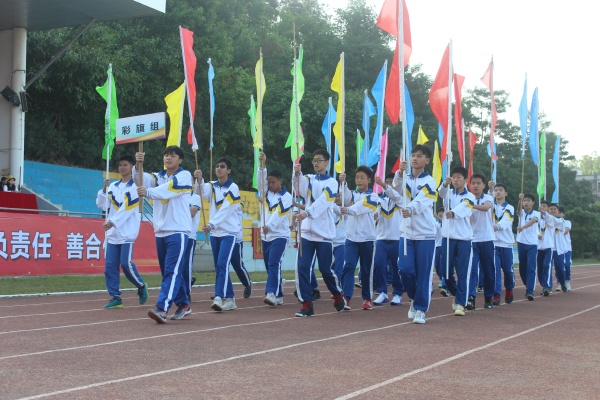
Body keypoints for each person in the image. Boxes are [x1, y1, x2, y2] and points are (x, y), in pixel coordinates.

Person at [135, 146, 193, 323]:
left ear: (180, 160)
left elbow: (170, 188)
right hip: (160, 232)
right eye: (166, 155)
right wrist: (138, 165)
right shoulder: (158, 176)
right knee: (169, 271)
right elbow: (140, 180)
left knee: (171, 271)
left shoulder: (184, 176)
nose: (168, 158)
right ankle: (184, 304)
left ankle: (162, 308)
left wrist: (149, 192)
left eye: (173, 155)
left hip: (178, 231)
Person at [292, 148, 345, 317]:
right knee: (302, 267)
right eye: (314, 160)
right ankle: (306, 304)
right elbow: (299, 189)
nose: (316, 163)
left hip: (324, 234)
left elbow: (323, 201)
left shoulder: (332, 183)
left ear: (327, 163)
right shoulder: (309, 178)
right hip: (307, 232)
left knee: (325, 270)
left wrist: (307, 212)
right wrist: (297, 174)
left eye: (319, 160)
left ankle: (337, 294)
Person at [95, 155, 148, 309]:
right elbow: (103, 206)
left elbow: (127, 209)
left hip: (127, 233)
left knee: (125, 264)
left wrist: (112, 222)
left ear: (132, 167)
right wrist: (103, 190)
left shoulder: (135, 188)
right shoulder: (113, 186)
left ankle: (140, 285)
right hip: (113, 234)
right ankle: (115, 297)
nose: (122, 168)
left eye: (125, 165)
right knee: (110, 266)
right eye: (120, 165)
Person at [395, 144, 438, 324]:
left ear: (427, 160)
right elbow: (396, 190)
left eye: (419, 156)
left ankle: (420, 309)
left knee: (423, 274)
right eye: (413, 155)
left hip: (425, 234)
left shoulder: (430, 181)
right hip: (406, 232)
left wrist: (411, 209)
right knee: (404, 269)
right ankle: (413, 297)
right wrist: (399, 173)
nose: (415, 158)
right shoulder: (404, 177)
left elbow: (423, 200)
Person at [194, 157, 242, 312]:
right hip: (215, 233)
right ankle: (230, 298)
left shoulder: (233, 188)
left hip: (229, 232)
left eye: (222, 166)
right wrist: (199, 180)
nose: (219, 169)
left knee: (222, 264)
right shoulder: (212, 185)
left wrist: (211, 224)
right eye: (217, 166)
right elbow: (200, 191)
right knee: (220, 266)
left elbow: (226, 209)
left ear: (228, 170)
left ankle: (218, 296)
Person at [339, 166, 379, 310]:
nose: (359, 180)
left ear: (369, 180)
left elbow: (360, 208)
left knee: (366, 270)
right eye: (357, 178)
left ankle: (367, 298)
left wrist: (349, 210)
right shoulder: (352, 195)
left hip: (367, 239)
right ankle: (346, 297)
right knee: (348, 266)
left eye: (362, 178)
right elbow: (344, 198)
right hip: (351, 239)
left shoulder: (373, 197)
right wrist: (343, 183)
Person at [438, 166, 475, 317]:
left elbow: (465, 207)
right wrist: (444, 184)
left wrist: (453, 213)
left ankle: (460, 303)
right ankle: (457, 293)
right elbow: (440, 193)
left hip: (464, 239)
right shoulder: (448, 192)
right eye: (453, 177)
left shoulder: (470, 196)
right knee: (445, 271)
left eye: (459, 177)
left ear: (465, 180)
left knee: (462, 272)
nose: (456, 179)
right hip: (447, 238)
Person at [257, 151, 292, 306]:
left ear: (280, 181)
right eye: (269, 182)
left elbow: (279, 214)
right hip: (266, 236)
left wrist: (269, 226)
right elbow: (260, 181)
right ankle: (279, 292)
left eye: (273, 182)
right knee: (269, 265)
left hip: (280, 235)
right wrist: (262, 165)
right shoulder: (267, 193)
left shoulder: (287, 197)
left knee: (273, 263)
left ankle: (271, 293)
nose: (270, 185)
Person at [372, 173, 404, 306]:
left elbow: (396, 196)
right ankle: (382, 292)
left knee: (396, 267)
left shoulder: (400, 199)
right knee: (379, 265)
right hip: (381, 238)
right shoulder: (379, 199)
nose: (389, 184)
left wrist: (385, 185)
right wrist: (375, 215)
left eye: (392, 182)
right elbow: (376, 212)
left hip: (397, 238)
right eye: (387, 182)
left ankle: (397, 293)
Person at [467, 174, 495, 310]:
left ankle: (488, 297)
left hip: (487, 239)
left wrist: (471, 205)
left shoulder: (488, 198)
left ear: (484, 185)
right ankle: (471, 297)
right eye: (473, 183)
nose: (475, 186)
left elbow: (486, 208)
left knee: (488, 270)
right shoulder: (467, 198)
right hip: (472, 239)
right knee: (472, 269)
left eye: (478, 183)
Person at [490, 183, 515, 306]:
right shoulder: (491, 206)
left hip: (506, 244)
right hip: (494, 244)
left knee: (508, 271)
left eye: (500, 190)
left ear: (505, 193)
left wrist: (497, 227)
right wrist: (490, 188)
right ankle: (497, 294)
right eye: (496, 190)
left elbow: (506, 220)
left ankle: (509, 289)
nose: (498, 192)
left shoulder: (509, 208)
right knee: (495, 270)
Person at [516, 193, 540, 301]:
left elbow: (533, 221)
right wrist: (519, 200)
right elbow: (518, 210)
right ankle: (528, 284)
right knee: (522, 267)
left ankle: (530, 290)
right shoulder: (521, 212)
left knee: (531, 266)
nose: (526, 203)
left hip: (532, 244)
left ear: (533, 202)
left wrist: (523, 227)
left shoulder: (537, 214)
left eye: (528, 201)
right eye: (524, 201)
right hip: (521, 242)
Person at [182, 186, 202, 306]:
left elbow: (192, 212)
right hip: (177, 234)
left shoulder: (195, 197)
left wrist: (178, 210)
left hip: (190, 235)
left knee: (186, 264)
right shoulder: (177, 196)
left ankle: (187, 291)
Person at [548, 203, 568, 292]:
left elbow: (556, 223)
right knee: (547, 268)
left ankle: (562, 282)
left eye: (554, 209)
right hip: (548, 248)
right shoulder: (545, 221)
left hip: (558, 249)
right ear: (548, 210)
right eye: (551, 209)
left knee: (560, 268)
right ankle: (547, 286)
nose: (552, 210)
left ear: (557, 211)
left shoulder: (561, 220)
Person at [537, 200, 554, 296]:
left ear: (548, 208)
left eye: (544, 206)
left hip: (548, 246)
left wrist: (544, 213)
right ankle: (544, 285)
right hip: (539, 247)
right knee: (540, 268)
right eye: (541, 206)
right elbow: (534, 228)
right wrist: (537, 234)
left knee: (546, 266)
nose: (542, 207)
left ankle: (547, 286)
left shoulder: (550, 218)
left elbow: (549, 221)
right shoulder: (537, 218)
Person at [434, 207, 448, 296]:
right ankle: (441, 278)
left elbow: (443, 221)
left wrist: (437, 216)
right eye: (439, 212)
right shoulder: (436, 223)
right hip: (437, 246)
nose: (440, 213)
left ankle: (444, 281)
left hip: (443, 245)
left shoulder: (445, 222)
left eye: (442, 212)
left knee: (443, 264)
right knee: (437, 265)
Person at [560, 207, 573, 291]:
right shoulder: (552, 223)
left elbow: (565, 231)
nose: (559, 214)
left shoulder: (567, 222)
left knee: (567, 265)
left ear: (563, 214)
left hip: (567, 248)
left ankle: (567, 281)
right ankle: (560, 283)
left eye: (560, 213)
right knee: (559, 266)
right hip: (558, 248)